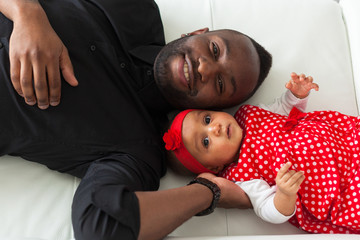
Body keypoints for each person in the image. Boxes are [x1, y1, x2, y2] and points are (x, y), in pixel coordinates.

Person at [0, 0, 273, 240]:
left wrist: (210, 192)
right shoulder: (138, 8)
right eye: (214, 49)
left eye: (221, 83)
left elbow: (100, 228)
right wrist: (27, 12)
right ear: (197, 33)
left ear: (215, 107)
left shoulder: (141, 152)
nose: (204, 68)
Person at [163, 72, 360, 234]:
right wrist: (284, 193)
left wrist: (296, 95)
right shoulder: (241, 176)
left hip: (345, 141)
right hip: (335, 187)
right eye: (206, 142)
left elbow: (284, 109)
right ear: (214, 167)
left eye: (207, 119)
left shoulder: (250, 114)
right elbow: (268, 210)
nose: (215, 128)